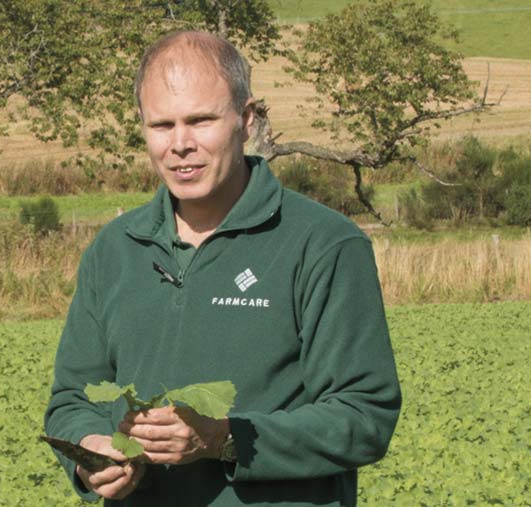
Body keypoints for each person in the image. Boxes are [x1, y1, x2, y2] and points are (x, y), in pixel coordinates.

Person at [44, 30, 401, 507]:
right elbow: (72, 398)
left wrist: (225, 438)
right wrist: (91, 449)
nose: (180, 144)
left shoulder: (322, 244)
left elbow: (365, 417)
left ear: (246, 119)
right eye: (161, 125)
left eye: (200, 120)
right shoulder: (114, 249)